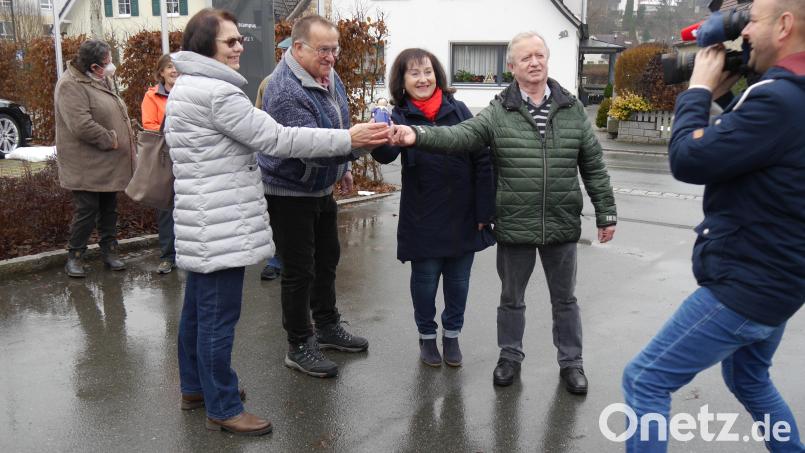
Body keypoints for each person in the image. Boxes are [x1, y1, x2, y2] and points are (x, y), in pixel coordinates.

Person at [164, 8, 388, 436]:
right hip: (220, 221)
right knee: (217, 318)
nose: (240, 46)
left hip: (206, 218)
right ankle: (223, 406)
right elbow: (278, 138)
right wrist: (349, 140)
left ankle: (196, 388)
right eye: (231, 41)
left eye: (239, 38)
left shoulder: (190, 86)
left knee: (197, 312)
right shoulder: (218, 93)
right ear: (206, 47)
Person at [621, 0, 805, 450]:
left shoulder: (779, 99)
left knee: (645, 379)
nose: (745, 33)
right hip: (781, 281)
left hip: (747, 285)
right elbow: (752, 142)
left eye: (753, 22)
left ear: (784, 25)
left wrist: (698, 91)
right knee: (749, 378)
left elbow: (689, 158)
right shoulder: (791, 95)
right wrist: (724, 96)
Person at [391, 31, 617, 393]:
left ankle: (571, 363)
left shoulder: (572, 109)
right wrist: (417, 135)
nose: (534, 62)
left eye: (539, 55)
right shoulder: (498, 111)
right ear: (511, 66)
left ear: (547, 59)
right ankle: (509, 357)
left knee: (566, 300)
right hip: (515, 223)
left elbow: (593, 165)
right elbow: (460, 136)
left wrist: (606, 213)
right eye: (526, 57)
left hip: (561, 222)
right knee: (511, 300)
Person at [258, 15, 370, 379]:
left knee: (327, 258)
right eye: (324, 49)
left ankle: (327, 326)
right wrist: (360, 145)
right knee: (299, 270)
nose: (332, 57)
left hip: (320, 187)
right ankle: (299, 344)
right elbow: (311, 150)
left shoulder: (327, 73)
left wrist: (345, 168)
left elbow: (340, 123)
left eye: (334, 49)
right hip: (289, 191)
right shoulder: (283, 89)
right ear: (298, 48)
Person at [371, 48, 495, 367]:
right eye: (414, 73)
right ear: (402, 81)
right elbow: (384, 156)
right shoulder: (399, 115)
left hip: (463, 215)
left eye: (427, 72)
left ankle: (452, 335)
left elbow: (482, 159)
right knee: (425, 283)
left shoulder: (459, 110)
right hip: (422, 216)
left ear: (437, 75)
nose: (423, 79)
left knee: (458, 283)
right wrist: (379, 133)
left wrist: (485, 210)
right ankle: (427, 336)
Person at [55, 39, 135, 278]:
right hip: (84, 163)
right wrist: (111, 139)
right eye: (107, 62)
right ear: (93, 66)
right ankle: (75, 256)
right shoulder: (70, 85)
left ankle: (110, 252)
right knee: (87, 210)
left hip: (106, 162)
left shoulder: (100, 78)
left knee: (109, 207)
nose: (111, 65)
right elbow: (81, 125)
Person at [141, 54, 179, 274]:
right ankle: (167, 256)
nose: (174, 70)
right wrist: (174, 130)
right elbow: (149, 125)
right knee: (166, 209)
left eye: (177, 67)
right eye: (169, 67)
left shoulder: (189, 93)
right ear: (161, 72)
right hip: (165, 158)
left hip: (189, 156)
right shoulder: (152, 96)